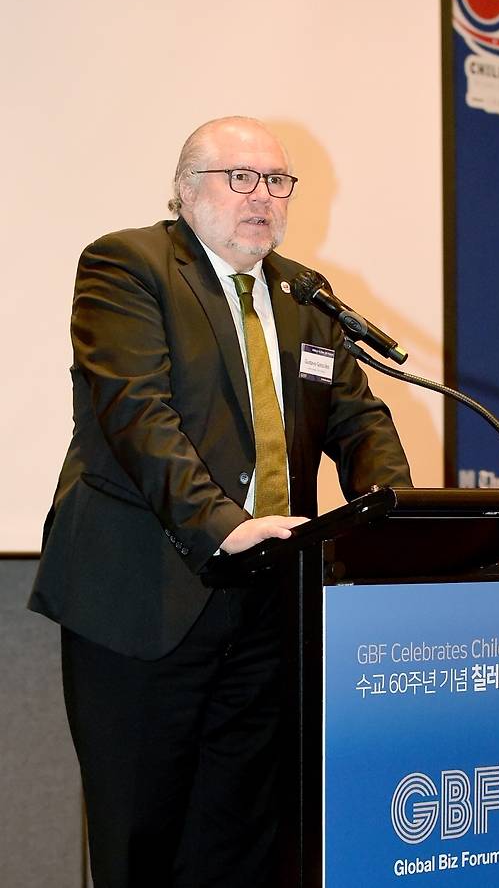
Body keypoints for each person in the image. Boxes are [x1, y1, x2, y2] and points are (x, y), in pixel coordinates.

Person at [29, 116, 412, 887]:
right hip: (143, 600)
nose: (261, 197)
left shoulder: (303, 294)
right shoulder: (128, 266)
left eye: (277, 182)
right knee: (142, 843)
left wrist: (390, 511)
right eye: (239, 177)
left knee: (240, 845)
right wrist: (227, 527)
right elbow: (138, 416)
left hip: (269, 610)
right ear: (183, 189)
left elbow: (357, 417)